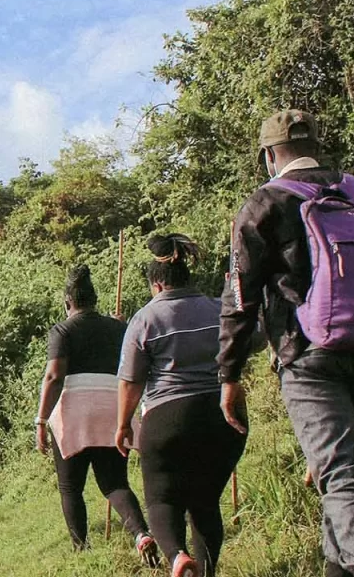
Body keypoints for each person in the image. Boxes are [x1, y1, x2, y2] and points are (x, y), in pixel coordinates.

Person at [218, 110, 354, 577]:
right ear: (318, 146)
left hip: (307, 356)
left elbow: (240, 297)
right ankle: (336, 567)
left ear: (268, 156)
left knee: (340, 473)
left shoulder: (264, 204)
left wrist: (229, 373)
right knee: (340, 472)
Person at [115, 234, 246, 577]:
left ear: (156, 284)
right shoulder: (220, 309)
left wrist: (123, 423)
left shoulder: (144, 320)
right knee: (204, 503)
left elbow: (131, 381)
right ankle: (206, 572)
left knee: (162, 499)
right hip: (224, 417)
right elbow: (252, 339)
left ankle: (176, 557)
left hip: (167, 418)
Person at [34, 265, 159, 565]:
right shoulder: (119, 328)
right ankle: (141, 534)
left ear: (67, 303)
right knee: (114, 481)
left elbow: (54, 377)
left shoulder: (62, 330)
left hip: (74, 412)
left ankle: (81, 550)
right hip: (113, 408)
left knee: (70, 487)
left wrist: (40, 420)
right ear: (94, 299)